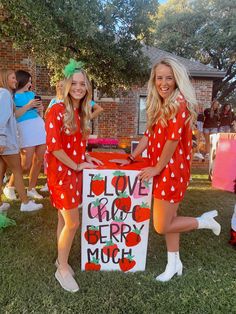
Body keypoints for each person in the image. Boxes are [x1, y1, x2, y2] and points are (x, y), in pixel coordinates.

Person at [114, 57, 221, 282]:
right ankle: (174, 264)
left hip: (171, 171)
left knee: (162, 225)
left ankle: (204, 222)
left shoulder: (179, 103)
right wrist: (131, 157)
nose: (164, 82)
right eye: (159, 78)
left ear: (176, 80)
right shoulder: (160, 104)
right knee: (171, 220)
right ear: (154, 80)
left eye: (169, 78)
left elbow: (172, 142)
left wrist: (156, 168)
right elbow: (148, 136)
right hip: (164, 169)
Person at [45, 59, 103, 292]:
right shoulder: (56, 111)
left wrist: (85, 159)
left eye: (83, 84)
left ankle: (61, 259)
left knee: (63, 220)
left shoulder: (79, 112)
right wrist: (77, 166)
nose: (78, 88)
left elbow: (75, 145)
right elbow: (54, 147)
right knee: (73, 222)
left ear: (87, 88)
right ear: (67, 85)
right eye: (75, 83)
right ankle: (62, 269)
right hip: (61, 174)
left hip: (72, 171)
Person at [0, 69, 43, 212]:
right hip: (16, 136)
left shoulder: (25, 94)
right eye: (12, 78)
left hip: (31, 130)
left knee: (38, 161)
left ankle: (28, 190)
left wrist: (39, 110)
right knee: (21, 167)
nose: (15, 80)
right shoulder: (8, 95)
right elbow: (8, 117)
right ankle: (18, 195)